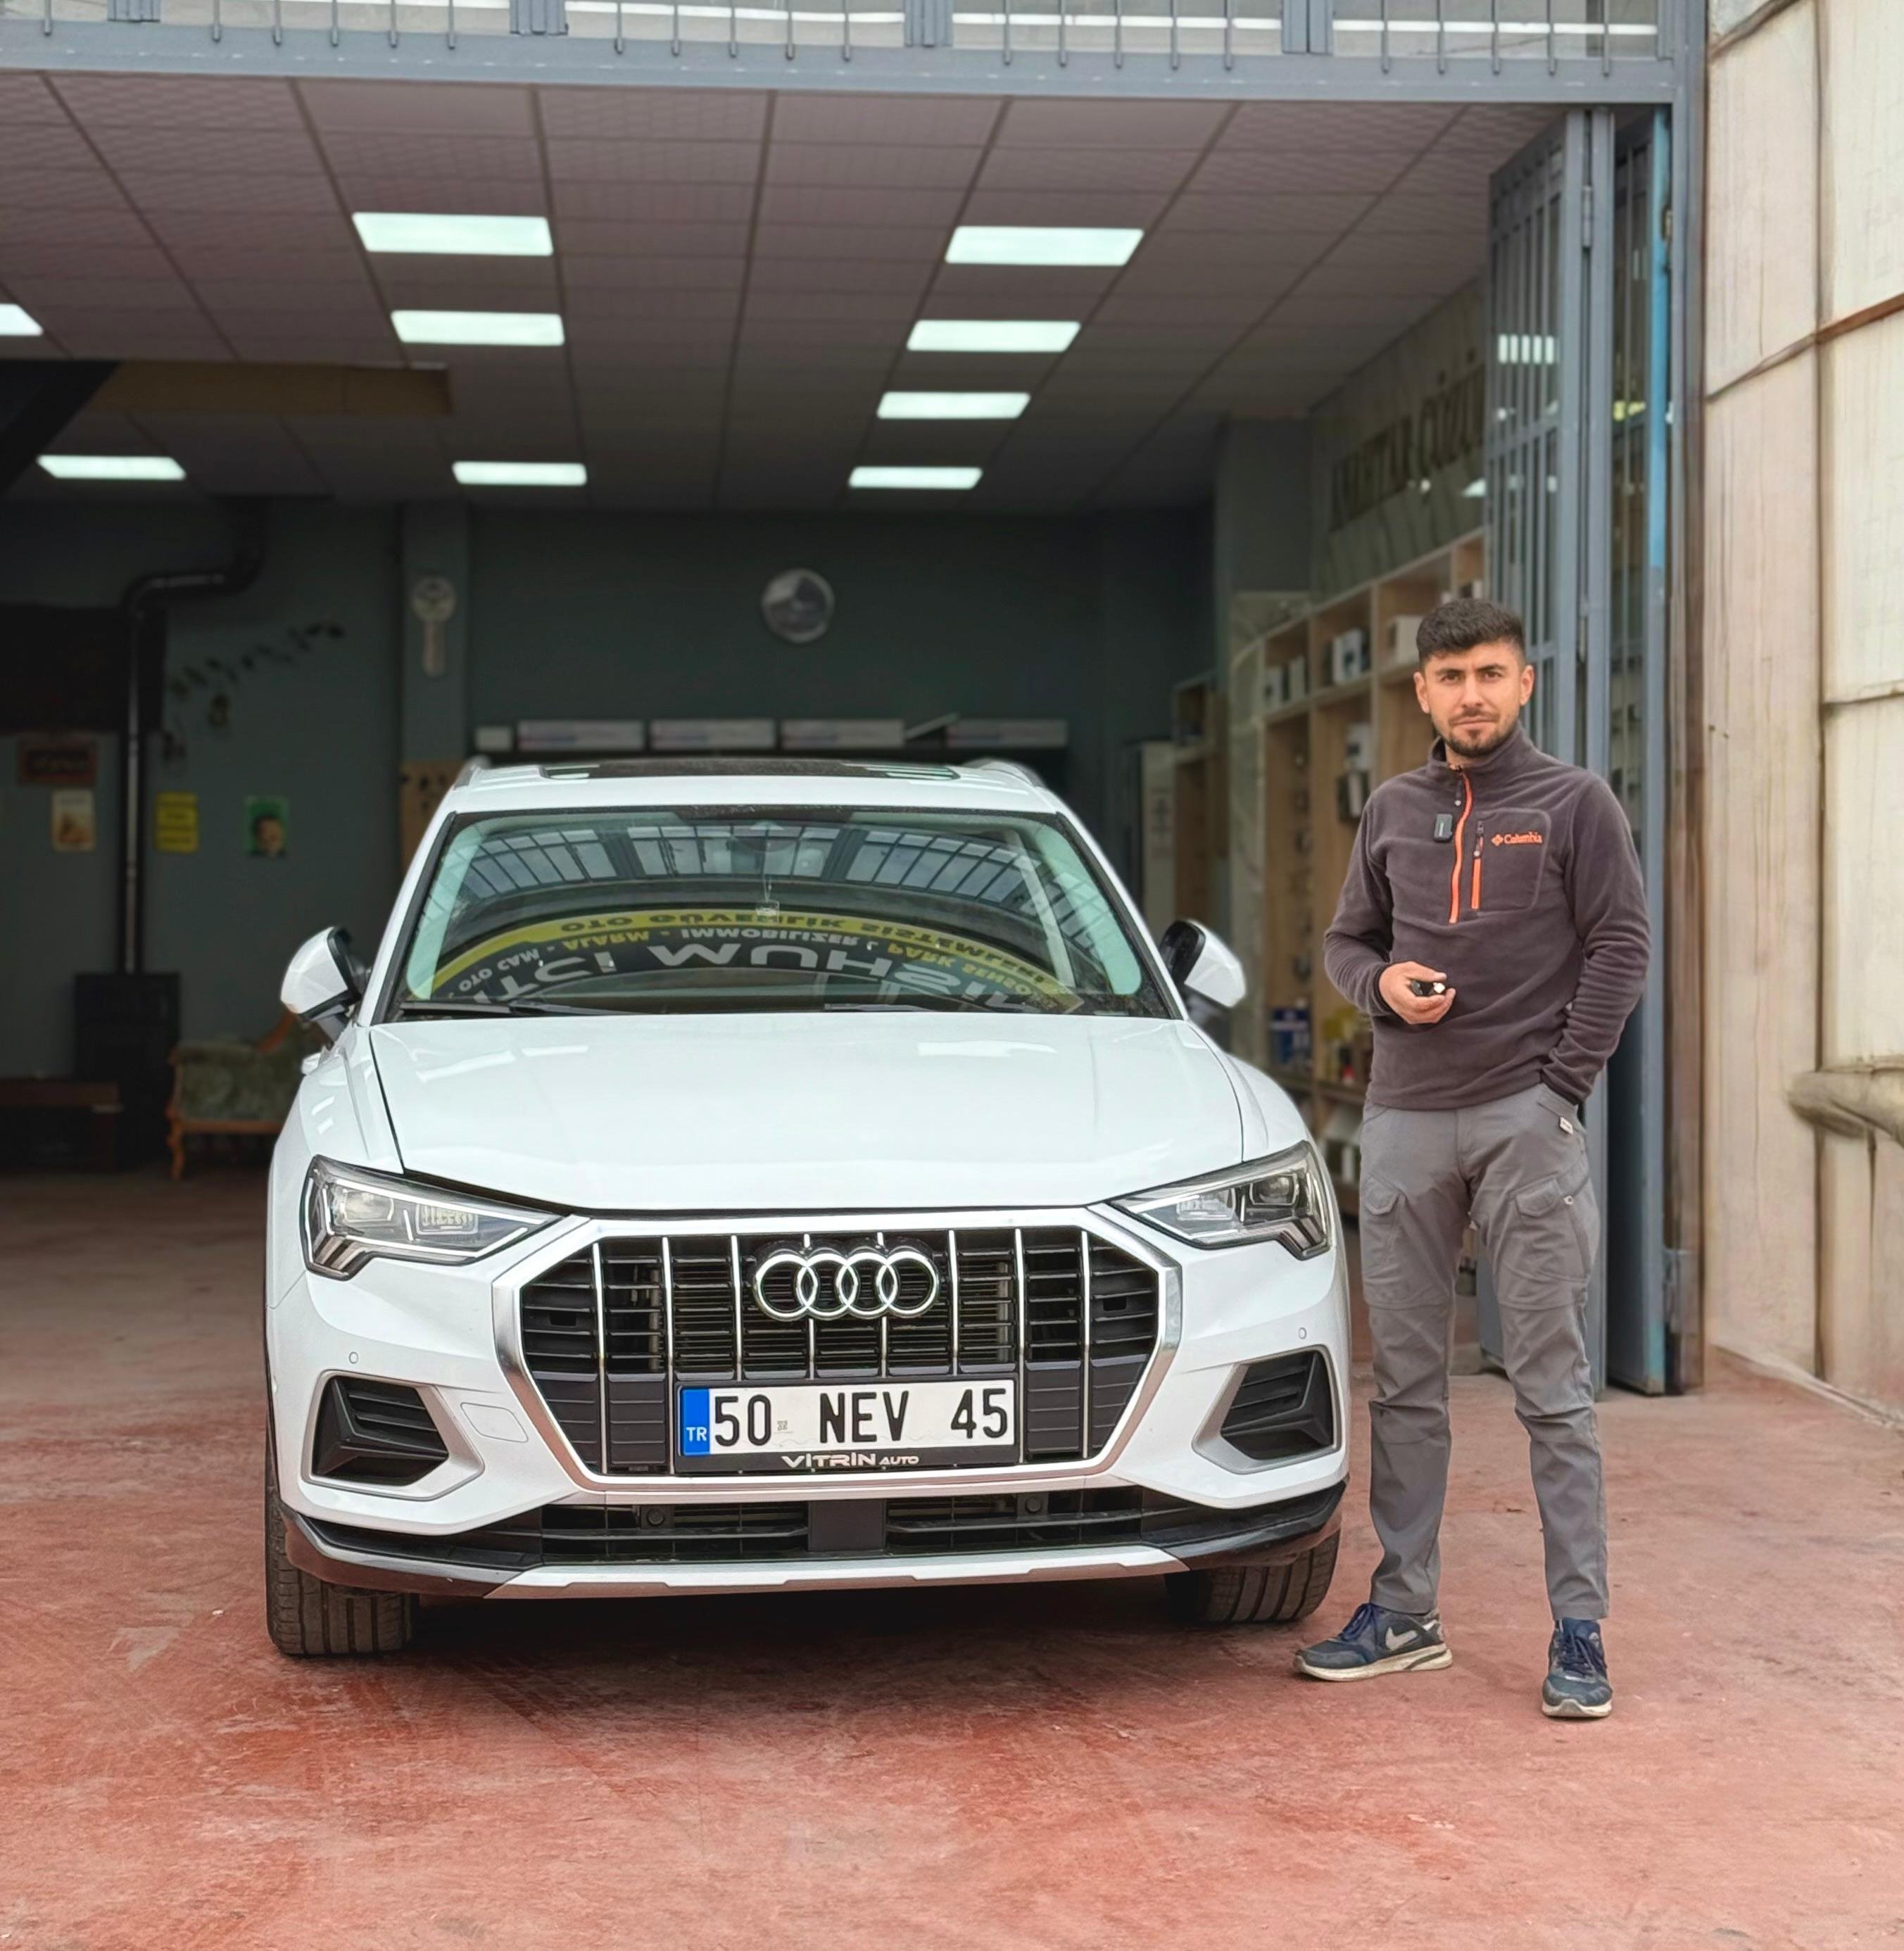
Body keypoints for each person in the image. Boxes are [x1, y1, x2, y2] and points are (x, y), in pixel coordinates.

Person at [1298, 597, 1648, 1719]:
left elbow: (1621, 945)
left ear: (1523, 682)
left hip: (1522, 1119)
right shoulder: (1392, 808)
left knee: (1550, 1387)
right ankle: (1404, 1613)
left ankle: (1579, 1629)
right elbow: (1345, 939)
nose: (1472, 696)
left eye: (1491, 674)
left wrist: (1560, 1089)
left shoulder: (1573, 803)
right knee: (1404, 1385)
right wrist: (1379, 985)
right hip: (1404, 1116)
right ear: (1423, 692)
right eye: (1451, 678)